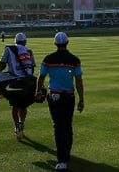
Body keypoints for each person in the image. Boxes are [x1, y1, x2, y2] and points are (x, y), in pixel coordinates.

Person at [35, 32, 84, 172]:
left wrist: (38, 92)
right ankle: (66, 155)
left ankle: (63, 160)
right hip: (69, 96)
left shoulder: (48, 59)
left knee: (59, 126)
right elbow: (79, 81)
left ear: (55, 43)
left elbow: (41, 77)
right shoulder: (74, 60)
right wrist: (81, 99)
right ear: (67, 42)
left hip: (54, 96)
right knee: (67, 125)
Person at [0, 32, 36, 140]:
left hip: (14, 82)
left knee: (15, 106)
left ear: (15, 41)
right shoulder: (29, 51)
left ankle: (17, 127)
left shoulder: (8, 49)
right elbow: (32, 68)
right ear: (25, 41)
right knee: (23, 106)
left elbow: (2, 64)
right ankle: (21, 123)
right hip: (27, 83)